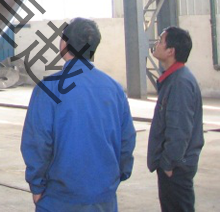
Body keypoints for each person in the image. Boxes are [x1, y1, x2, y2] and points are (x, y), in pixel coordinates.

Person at [21, 18, 136, 211]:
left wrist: (37, 185)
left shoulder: (48, 89)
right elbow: (127, 140)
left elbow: (38, 142)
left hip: (59, 198)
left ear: (64, 44)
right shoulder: (114, 89)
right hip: (103, 197)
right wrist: (118, 176)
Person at [147, 27, 204, 212]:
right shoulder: (174, 79)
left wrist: (168, 164)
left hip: (176, 169)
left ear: (171, 51)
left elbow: (179, 130)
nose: (156, 44)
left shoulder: (180, 83)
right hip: (175, 167)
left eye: (161, 41)